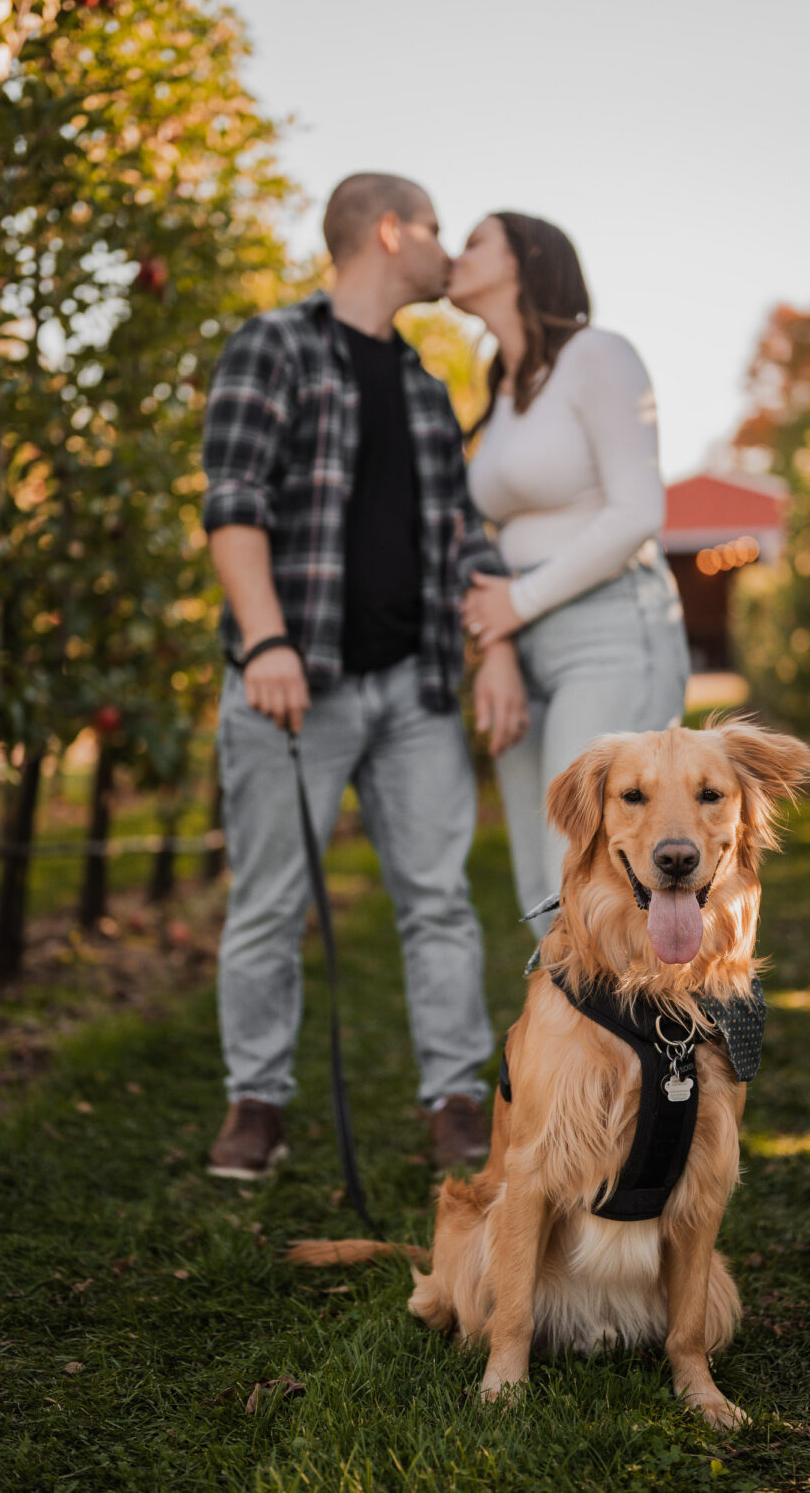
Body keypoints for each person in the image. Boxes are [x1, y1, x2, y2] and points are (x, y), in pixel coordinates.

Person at [201, 173, 528, 1181]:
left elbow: (464, 540)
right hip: (293, 686)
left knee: (436, 901)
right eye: (435, 230)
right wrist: (265, 642)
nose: (443, 251)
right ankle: (256, 1101)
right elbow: (233, 502)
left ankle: (455, 1103)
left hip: (414, 692)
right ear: (390, 232)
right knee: (267, 900)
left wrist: (497, 649)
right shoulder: (275, 345)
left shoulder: (428, 388)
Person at [450, 212, 691, 928]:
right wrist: (500, 637)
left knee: (607, 868)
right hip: (522, 638)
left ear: (526, 259)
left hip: (609, 626)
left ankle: (663, 1039)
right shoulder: (499, 389)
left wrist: (517, 603)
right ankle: (572, 1042)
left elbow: (638, 511)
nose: (455, 257)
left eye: (474, 242)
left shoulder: (598, 355)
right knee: (544, 881)